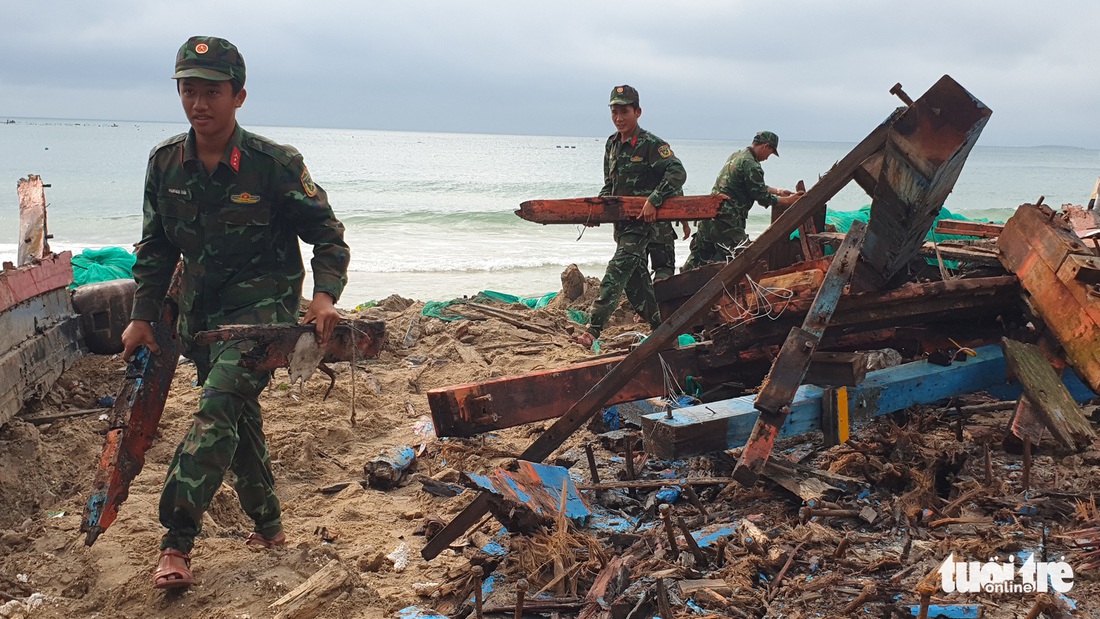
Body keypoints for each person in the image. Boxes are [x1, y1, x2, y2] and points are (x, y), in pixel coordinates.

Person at [120, 36, 351, 589]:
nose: (199, 104)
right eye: (189, 90)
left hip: (263, 314)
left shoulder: (275, 166)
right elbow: (155, 248)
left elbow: (328, 237)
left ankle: (176, 542)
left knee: (217, 411)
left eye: (212, 92)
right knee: (239, 418)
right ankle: (270, 527)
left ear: (239, 96)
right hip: (201, 316)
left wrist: (323, 298)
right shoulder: (164, 164)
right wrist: (142, 314)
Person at [574, 85, 686, 348]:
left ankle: (593, 330)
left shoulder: (651, 145)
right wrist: (596, 210)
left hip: (644, 227)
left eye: (624, 111)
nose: (619, 117)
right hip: (622, 227)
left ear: (638, 112)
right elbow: (609, 187)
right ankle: (664, 333)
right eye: (614, 111)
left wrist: (654, 200)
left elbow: (677, 173)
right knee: (638, 289)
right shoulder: (612, 145)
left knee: (616, 271)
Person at [683, 131, 802, 270]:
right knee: (746, 260)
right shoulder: (752, 165)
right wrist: (788, 201)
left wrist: (778, 192)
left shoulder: (736, 156)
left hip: (709, 215)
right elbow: (761, 195)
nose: (767, 158)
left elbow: (750, 185)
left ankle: (672, 288)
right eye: (770, 153)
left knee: (697, 259)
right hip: (727, 221)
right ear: (766, 146)